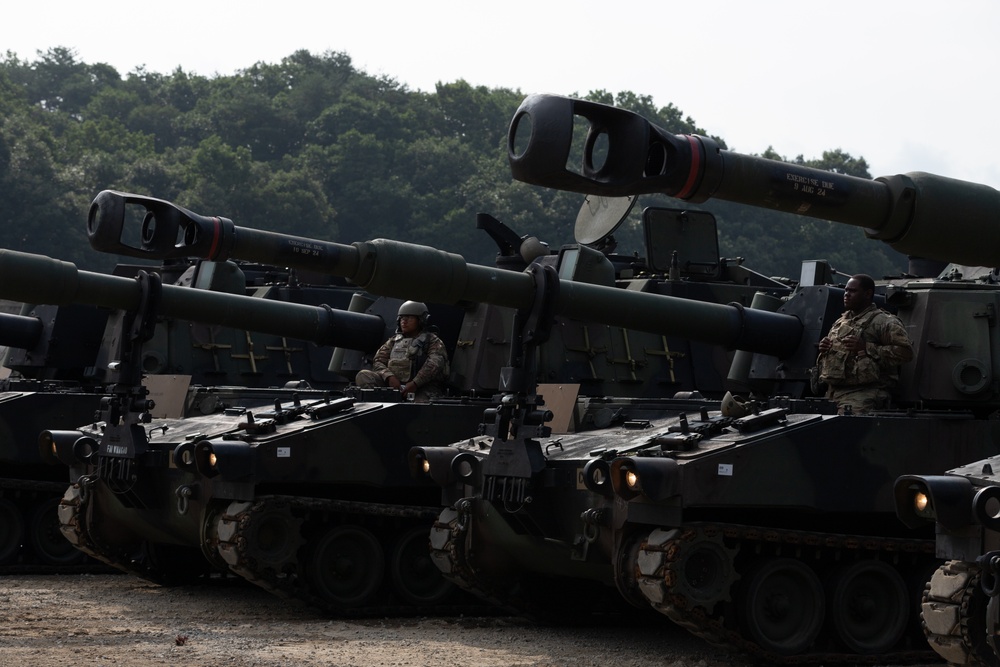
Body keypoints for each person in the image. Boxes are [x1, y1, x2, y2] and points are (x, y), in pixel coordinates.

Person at [816, 274, 913, 414]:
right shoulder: (841, 321)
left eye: (852, 291)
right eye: (846, 290)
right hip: (834, 393)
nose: (847, 294)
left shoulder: (884, 322)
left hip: (865, 394)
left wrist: (866, 348)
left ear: (868, 294)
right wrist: (825, 347)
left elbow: (905, 353)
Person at [355, 300, 449, 401]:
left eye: (410, 318)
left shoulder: (432, 341)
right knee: (363, 375)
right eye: (402, 318)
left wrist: (415, 383)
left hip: (422, 387)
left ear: (421, 320)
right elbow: (378, 361)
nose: (404, 321)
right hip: (395, 385)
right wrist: (389, 377)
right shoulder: (393, 341)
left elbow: (435, 364)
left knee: (420, 406)